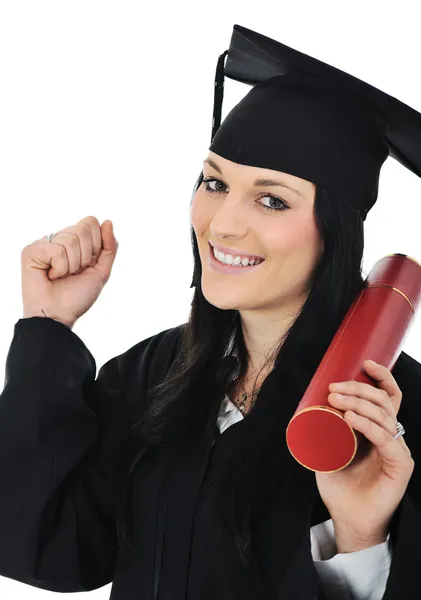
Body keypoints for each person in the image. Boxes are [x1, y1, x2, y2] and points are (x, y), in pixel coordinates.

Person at [0, 23, 420, 600]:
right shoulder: (153, 373)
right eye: (214, 183)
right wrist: (47, 330)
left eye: (272, 199)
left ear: (336, 231)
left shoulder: (387, 416)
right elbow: (42, 546)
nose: (223, 224)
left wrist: (360, 535)